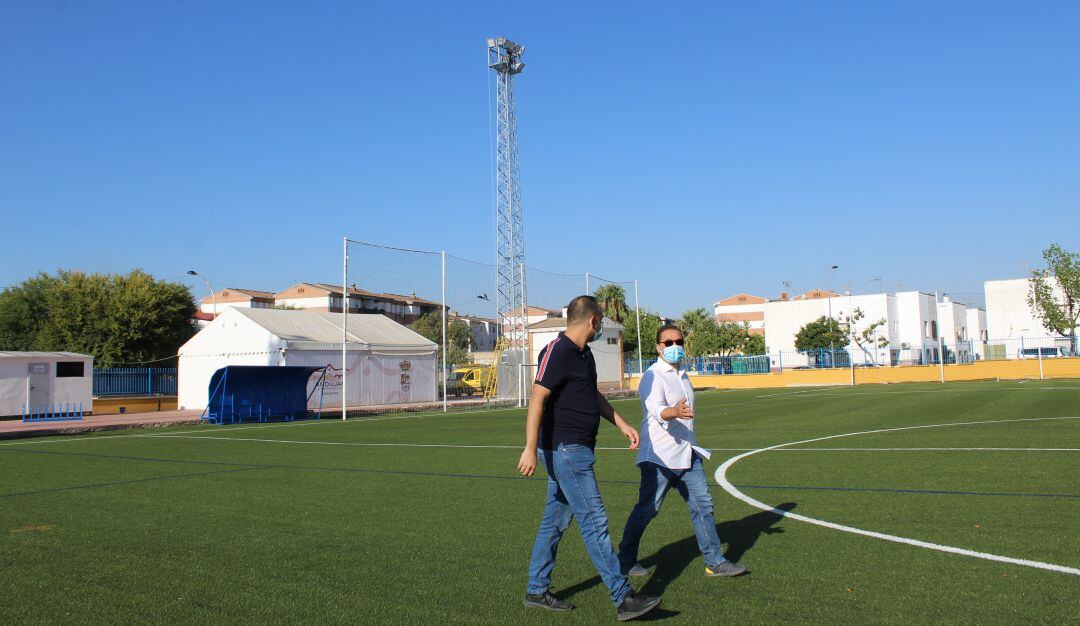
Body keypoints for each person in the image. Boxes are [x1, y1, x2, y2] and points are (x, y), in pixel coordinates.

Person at [518, 295, 663, 621]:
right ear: (593, 322)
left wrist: (621, 423)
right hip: (565, 451)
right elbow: (537, 398)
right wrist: (529, 447)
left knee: (555, 521)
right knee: (594, 522)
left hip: (576, 450)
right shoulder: (557, 351)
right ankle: (623, 597)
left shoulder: (584, 355)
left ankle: (536, 589)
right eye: (601, 322)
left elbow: (590, 395)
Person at [618, 324, 747, 578]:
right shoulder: (652, 376)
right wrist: (673, 412)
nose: (675, 346)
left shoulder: (683, 375)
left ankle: (714, 561)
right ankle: (625, 559)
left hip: (688, 455)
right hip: (659, 458)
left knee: (703, 506)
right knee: (647, 510)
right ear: (658, 347)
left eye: (679, 341)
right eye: (669, 343)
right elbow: (656, 409)